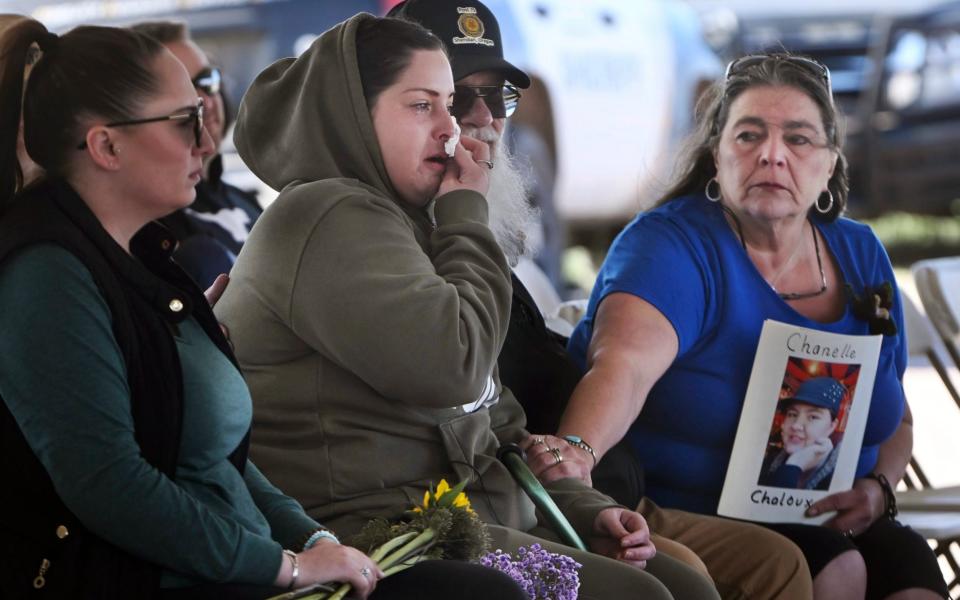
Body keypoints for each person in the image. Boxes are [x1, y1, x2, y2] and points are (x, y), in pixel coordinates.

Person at [0, 18, 526, 600]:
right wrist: (285, 566)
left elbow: (218, 461)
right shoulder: (46, 273)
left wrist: (313, 539)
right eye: (183, 121)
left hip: (242, 563)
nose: (205, 139)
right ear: (106, 145)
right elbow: (110, 486)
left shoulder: (139, 257)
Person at [215, 12, 721, 600]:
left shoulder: (404, 220)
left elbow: (491, 416)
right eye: (423, 106)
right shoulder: (330, 215)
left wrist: (583, 509)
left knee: (682, 586)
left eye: (451, 103)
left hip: (459, 515)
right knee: (649, 597)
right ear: (357, 112)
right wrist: (465, 213)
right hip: (376, 533)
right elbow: (452, 367)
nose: (455, 129)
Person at [387, 2, 814, 598]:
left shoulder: (478, 239)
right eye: (459, 97)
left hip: (583, 493)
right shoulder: (394, 245)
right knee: (682, 578)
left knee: (779, 563)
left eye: (498, 97)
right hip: (508, 510)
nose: (485, 119)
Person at [539, 52, 947, 599]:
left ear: (829, 163)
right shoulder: (671, 246)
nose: (772, 156)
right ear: (717, 157)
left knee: (910, 567)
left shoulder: (860, 253)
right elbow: (625, 366)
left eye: (798, 139)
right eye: (749, 136)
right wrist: (577, 453)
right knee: (837, 567)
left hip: (827, 513)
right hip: (685, 510)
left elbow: (896, 422)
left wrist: (878, 490)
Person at [129, 20, 263, 289]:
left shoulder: (245, 202)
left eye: (208, 80)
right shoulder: (147, 231)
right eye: (184, 88)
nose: (204, 100)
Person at [759, 377, 844, 490]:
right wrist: (793, 466)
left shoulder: (842, 479)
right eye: (792, 414)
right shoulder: (766, 464)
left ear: (832, 427)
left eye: (813, 417)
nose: (796, 425)